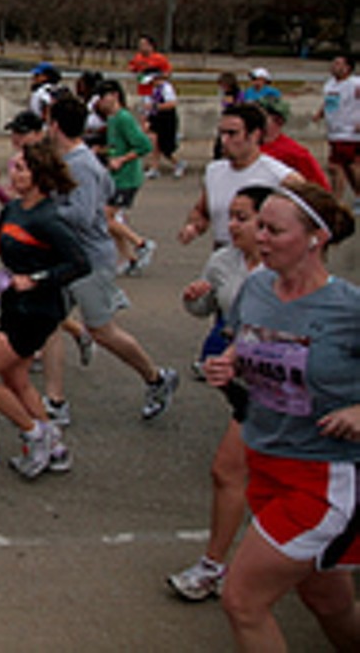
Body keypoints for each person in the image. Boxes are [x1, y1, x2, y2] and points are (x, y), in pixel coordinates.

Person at [204, 184, 360, 650]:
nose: (258, 238)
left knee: (242, 601)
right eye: (258, 226)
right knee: (325, 599)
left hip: (323, 477)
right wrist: (232, 359)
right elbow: (251, 338)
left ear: (316, 238)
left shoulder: (348, 309)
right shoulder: (255, 287)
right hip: (265, 459)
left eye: (273, 229)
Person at [0, 142, 88, 478]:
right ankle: (53, 444)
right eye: (13, 167)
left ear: (39, 176)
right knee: (15, 377)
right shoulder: (13, 209)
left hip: (37, 311)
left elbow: (80, 263)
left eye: (21, 169)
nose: (13, 173)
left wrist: (38, 278)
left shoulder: (49, 218)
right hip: (14, 305)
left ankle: (34, 433)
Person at [42, 94, 181, 426]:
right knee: (49, 324)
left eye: (48, 121)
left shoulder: (81, 165)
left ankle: (156, 377)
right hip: (67, 258)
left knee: (102, 330)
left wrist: (40, 211)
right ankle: (55, 400)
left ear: (56, 125)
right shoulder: (69, 161)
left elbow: (83, 214)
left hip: (88, 260)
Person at [167, 185, 270, 602]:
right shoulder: (224, 260)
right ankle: (215, 565)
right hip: (250, 387)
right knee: (229, 472)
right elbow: (212, 313)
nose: (233, 225)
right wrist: (197, 298)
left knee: (247, 474)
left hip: (288, 394)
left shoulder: (294, 277)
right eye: (233, 216)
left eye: (243, 218)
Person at [179, 104, 304, 251]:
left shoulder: (281, 177)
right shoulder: (214, 171)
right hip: (223, 255)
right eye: (221, 133)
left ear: (255, 135)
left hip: (264, 258)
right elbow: (202, 211)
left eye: (232, 134)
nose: (224, 140)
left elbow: (308, 223)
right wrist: (193, 226)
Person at [95, 79, 157, 275]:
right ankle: (128, 257)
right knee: (111, 219)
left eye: (103, 97)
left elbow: (144, 145)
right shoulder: (113, 119)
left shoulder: (123, 118)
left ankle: (141, 243)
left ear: (114, 96)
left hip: (126, 177)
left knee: (106, 217)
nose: (100, 103)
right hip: (115, 176)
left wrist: (122, 159)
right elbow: (117, 144)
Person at [313, 52, 360, 209]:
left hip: (350, 132)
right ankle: (355, 196)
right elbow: (329, 102)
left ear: (348, 68)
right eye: (334, 63)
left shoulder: (355, 84)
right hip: (334, 130)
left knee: (337, 166)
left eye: (339, 64)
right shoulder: (330, 84)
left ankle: (336, 199)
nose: (334, 66)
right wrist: (320, 113)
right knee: (347, 167)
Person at [256, 97, 329, 190]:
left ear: (278, 120)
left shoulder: (295, 153)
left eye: (260, 116)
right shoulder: (248, 146)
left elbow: (320, 188)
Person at [141, 68, 186, 180]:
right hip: (155, 118)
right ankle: (154, 168)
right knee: (154, 144)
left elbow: (172, 103)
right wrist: (145, 120)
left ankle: (178, 163)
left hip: (166, 118)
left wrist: (156, 106)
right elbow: (146, 106)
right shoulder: (148, 90)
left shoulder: (166, 88)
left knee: (166, 146)